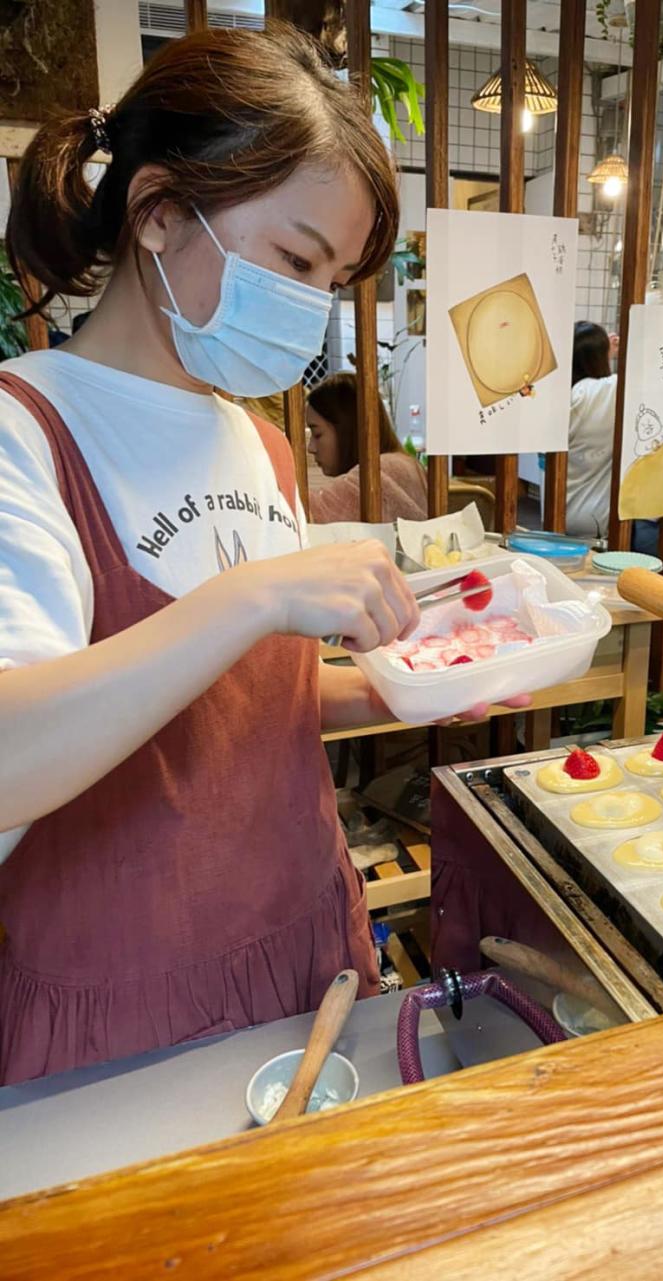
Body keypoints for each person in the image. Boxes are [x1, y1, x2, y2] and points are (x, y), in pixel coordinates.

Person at [0, 25, 524, 1085]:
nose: (313, 306)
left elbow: (240, 705)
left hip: (303, 950)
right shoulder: (27, 434)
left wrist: (394, 694)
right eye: (294, 260)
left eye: (331, 277)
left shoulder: (260, 443)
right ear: (157, 212)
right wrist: (252, 594)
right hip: (120, 997)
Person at [306, 371, 427, 524]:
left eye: (317, 434)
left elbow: (313, 512)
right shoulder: (403, 463)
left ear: (347, 428)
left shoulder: (383, 469)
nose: (311, 448)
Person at [564, 321, 618, 540]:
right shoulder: (605, 391)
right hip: (595, 514)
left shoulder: (569, 394)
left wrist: (606, 351)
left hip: (557, 508)